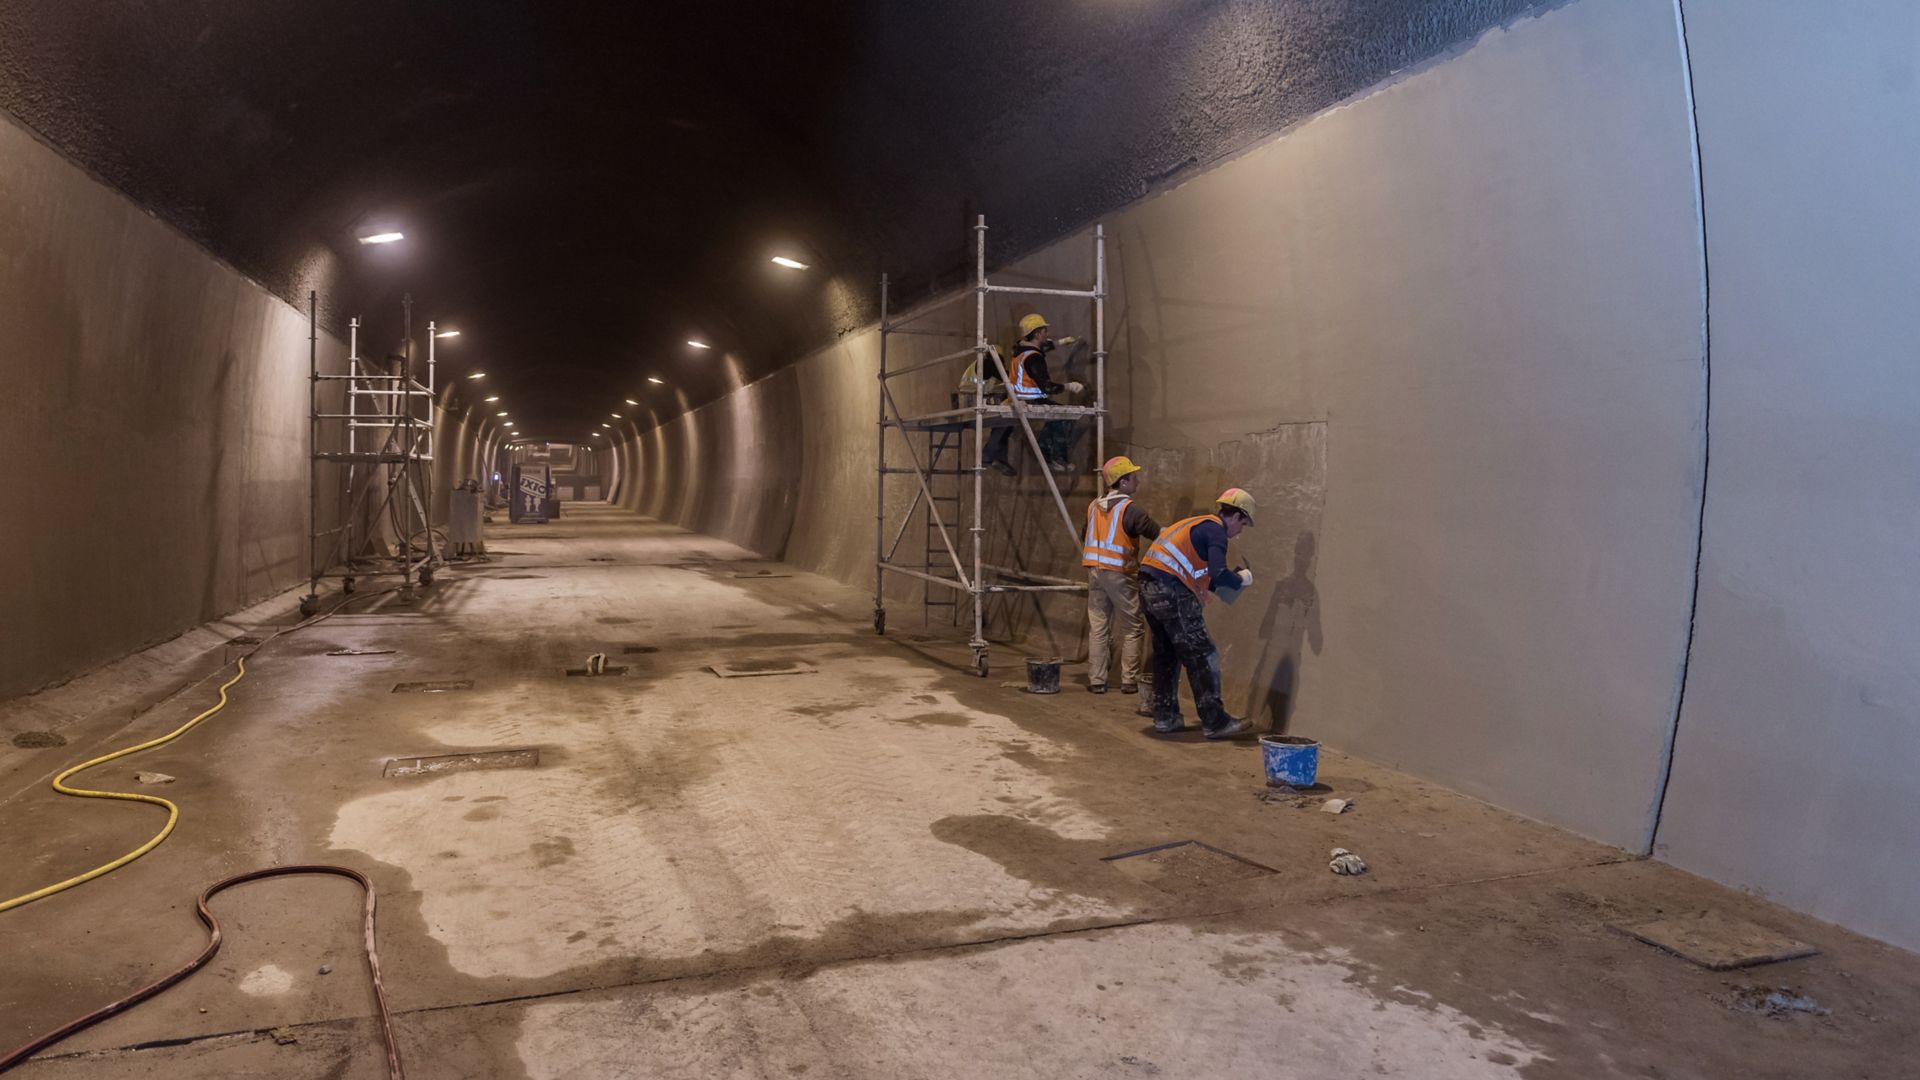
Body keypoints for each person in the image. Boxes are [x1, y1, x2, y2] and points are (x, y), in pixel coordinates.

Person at [1138, 488, 1258, 739]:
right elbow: (1219, 572)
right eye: (1243, 525)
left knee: (1167, 653)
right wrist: (1240, 579)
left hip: (1148, 586)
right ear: (1236, 516)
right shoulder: (1216, 530)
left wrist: (1224, 584)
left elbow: (1202, 576)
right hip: (1169, 590)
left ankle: (1165, 717)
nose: (1240, 532)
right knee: (1203, 653)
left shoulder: (1195, 526)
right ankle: (1215, 721)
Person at [1083, 456, 1161, 694]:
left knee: (1098, 627)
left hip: (1094, 572)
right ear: (1123, 482)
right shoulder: (1131, 510)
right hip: (1119, 573)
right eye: (1133, 477)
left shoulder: (1093, 506)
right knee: (1133, 626)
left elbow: (1083, 535)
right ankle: (1129, 680)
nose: (1137, 481)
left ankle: (1097, 680)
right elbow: (1157, 534)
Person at [982, 313, 1082, 476]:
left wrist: (1063, 342)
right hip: (1031, 400)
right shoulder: (1034, 359)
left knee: (1003, 426)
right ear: (1037, 334)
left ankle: (991, 455)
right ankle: (1052, 456)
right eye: (1044, 331)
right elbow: (1047, 387)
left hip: (1017, 398)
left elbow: (1044, 346)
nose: (1047, 334)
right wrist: (1069, 386)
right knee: (1064, 416)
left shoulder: (1020, 349)